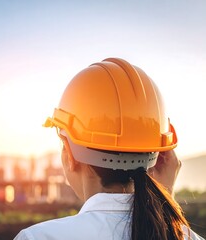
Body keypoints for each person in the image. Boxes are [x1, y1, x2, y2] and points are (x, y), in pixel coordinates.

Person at [14, 58, 204, 240]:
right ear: (158, 154)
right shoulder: (186, 237)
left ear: (70, 155)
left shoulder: (38, 237)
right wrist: (164, 201)